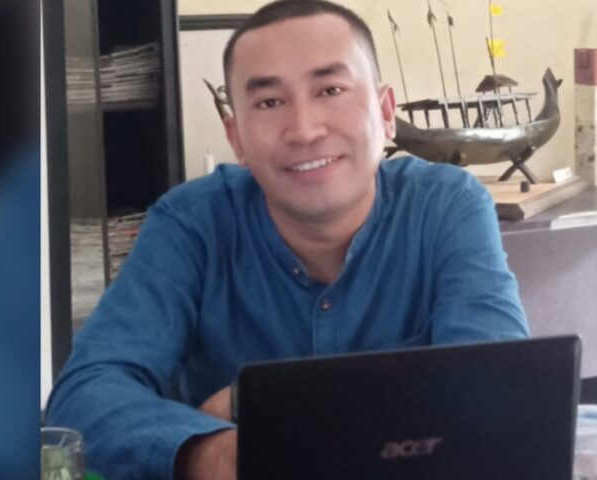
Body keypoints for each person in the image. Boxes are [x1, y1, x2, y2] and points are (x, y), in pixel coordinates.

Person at [46, 1, 528, 479]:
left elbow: (497, 388)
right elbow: (85, 395)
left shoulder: (446, 206)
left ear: (385, 112)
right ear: (236, 137)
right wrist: (218, 454)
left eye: (331, 90)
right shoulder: (190, 224)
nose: (304, 130)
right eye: (269, 103)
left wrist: (249, 400)